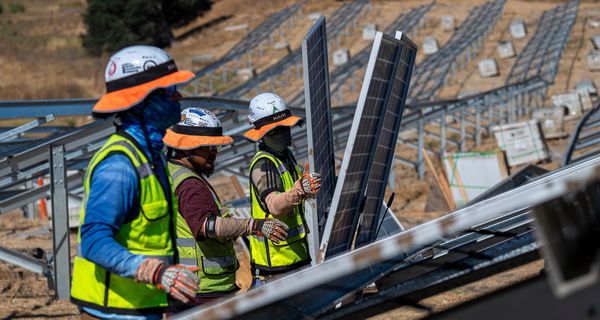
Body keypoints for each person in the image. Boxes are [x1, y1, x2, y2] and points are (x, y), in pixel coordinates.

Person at [70, 45, 200, 319]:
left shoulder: (151, 157)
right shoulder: (119, 166)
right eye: (167, 91)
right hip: (113, 312)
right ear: (142, 102)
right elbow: (93, 241)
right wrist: (154, 272)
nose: (178, 95)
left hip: (142, 307)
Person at [162, 107, 289, 307]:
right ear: (187, 147)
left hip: (195, 287)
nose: (214, 153)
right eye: (208, 147)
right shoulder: (190, 184)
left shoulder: (174, 173)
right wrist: (255, 225)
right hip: (205, 291)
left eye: (217, 147)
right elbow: (207, 226)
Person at [243, 92, 322, 286]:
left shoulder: (285, 156)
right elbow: (275, 205)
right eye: (275, 131)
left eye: (284, 128)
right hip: (276, 269)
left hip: (295, 259)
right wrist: (300, 191)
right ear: (262, 134)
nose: (283, 134)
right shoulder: (264, 164)